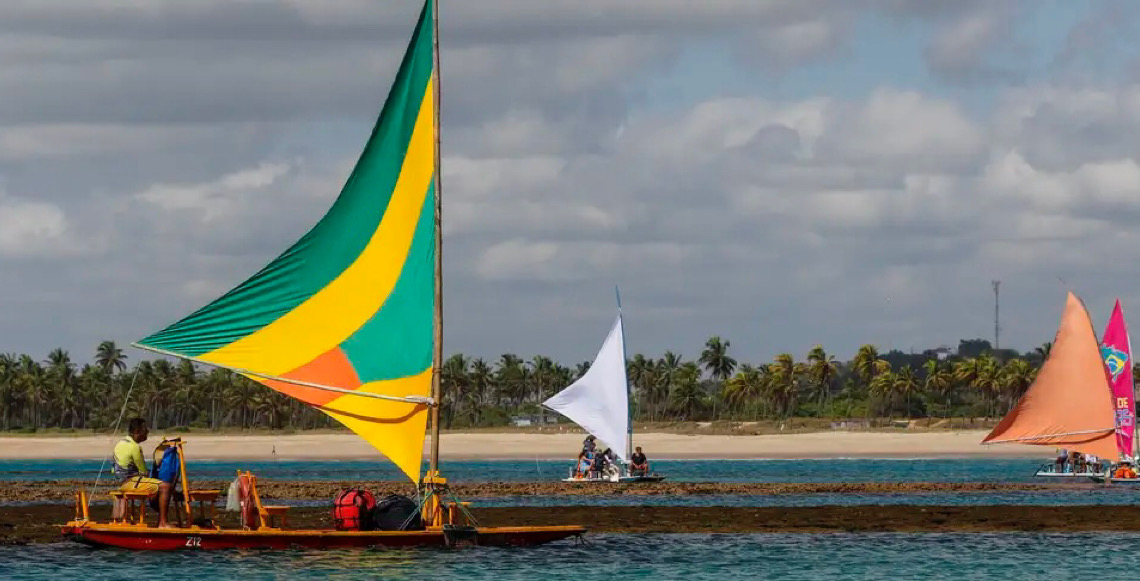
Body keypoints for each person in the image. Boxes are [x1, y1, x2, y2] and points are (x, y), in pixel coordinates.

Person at [112, 417, 173, 528]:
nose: (147, 432)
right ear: (137, 431)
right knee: (166, 487)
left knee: (157, 485)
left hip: (121, 482)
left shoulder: (120, 443)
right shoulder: (135, 447)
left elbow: (115, 469)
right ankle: (163, 523)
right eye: (145, 430)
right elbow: (143, 472)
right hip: (130, 482)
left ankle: (160, 518)